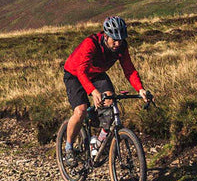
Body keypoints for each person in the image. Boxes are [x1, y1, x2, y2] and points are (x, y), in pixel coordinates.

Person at [61, 16, 153, 165]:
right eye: (114, 40)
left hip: (96, 73)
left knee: (110, 101)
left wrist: (140, 89)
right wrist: (93, 91)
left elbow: (129, 70)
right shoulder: (91, 44)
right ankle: (69, 149)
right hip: (75, 74)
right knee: (80, 110)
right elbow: (81, 71)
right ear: (105, 35)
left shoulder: (122, 47)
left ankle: (97, 143)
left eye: (121, 39)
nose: (117, 43)